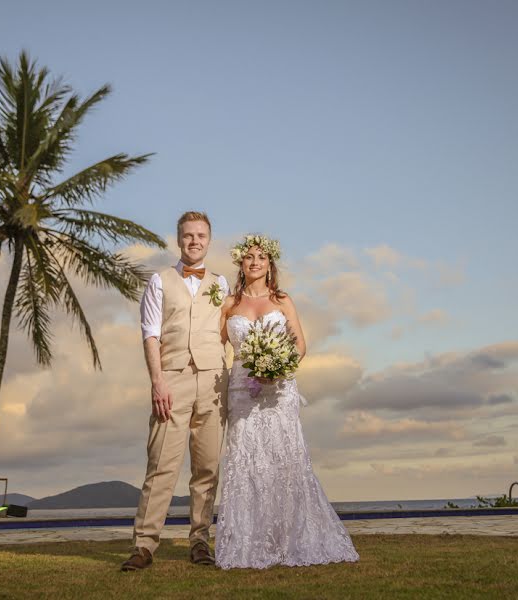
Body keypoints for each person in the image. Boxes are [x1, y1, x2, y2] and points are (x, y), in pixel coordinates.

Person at [215, 234, 359, 569]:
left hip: (279, 391)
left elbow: (299, 345)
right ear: (241, 263)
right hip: (242, 392)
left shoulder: (282, 300)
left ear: (270, 264)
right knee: (246, 462)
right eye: (249, 257)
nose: (255, 262)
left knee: (284, 460)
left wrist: (276, 368)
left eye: (261, 258)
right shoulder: (229, 304)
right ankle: (248, 545)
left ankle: (288, 541)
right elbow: (215, 345)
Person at [121, 211, 230, 571]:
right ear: (178, 239)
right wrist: (158, 381)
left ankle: (200, 541)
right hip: (172, 380)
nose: (194, 241)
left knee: (207, 468)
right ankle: (144, 545)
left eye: (200, 235)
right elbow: (150, 334)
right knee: (161, 466)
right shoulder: (159, 281)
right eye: (188, 235)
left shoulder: (222, 284)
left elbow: (231, 332)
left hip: (214, 383)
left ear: (209, 240)